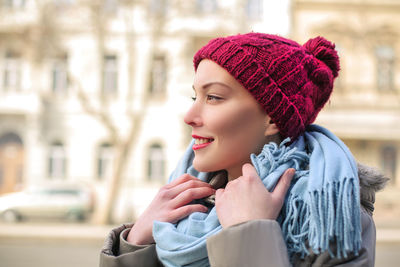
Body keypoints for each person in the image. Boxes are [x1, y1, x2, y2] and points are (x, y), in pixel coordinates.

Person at [100, 33, 388, 267]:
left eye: (213, 97)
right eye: (194, 95)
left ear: (272, 118)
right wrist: (135, 244)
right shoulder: (181, 205)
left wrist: (251, 234)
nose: (189, 115)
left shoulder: (329, 218)